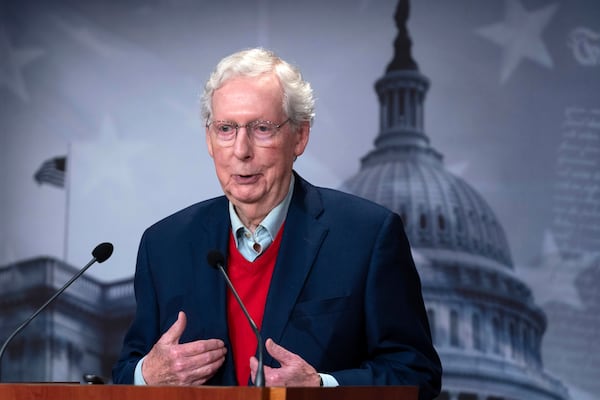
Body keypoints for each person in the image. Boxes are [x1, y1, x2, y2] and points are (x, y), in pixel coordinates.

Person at [112, 47, 442, 399]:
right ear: (209, 139)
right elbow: (125, 373)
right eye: (226, 128)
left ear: (299, 137)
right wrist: (148, 374)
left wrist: (320, 387)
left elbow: (416, 374)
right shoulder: (165, 244)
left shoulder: (368, 235)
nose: (241, 150)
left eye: (262, 129)